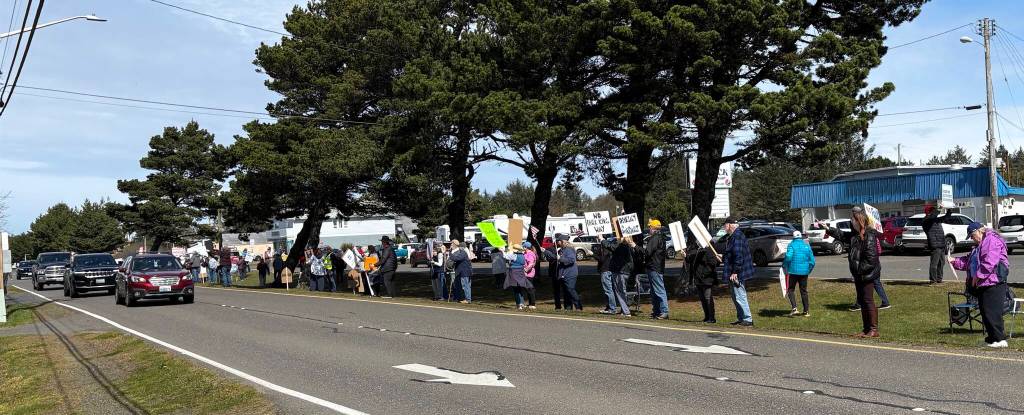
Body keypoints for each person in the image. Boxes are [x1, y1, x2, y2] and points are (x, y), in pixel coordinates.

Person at [951, 222, 1011, 348]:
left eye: (972, 236)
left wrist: (977, 277)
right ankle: (992, 339)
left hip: (994, 282)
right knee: (985, 311)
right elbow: (969, 262)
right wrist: (954, 261)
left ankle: (1000, 339)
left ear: (979, 231)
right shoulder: (979, 246)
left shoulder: (990, 240)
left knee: (992, 312)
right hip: (984, 283)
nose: (972, 239)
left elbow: (989, 262)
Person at [849, 209, 881, 338]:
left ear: (859, 221)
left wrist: (860, 270)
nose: (851, 222)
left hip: (866, 274)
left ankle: (873, 329)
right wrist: (828, 229)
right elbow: (842, 235)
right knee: (862, 300)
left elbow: (871, 258)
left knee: (868, 300)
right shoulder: (857, 235)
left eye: (853, 220)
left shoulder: (869, 235)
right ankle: (866, 328)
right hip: (859, 274)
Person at [721, 217, 754, 326]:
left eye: (725, 225)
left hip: (738, 272)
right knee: (736, 296)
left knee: (740, 295)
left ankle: (747, 319)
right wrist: (722, 256)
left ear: (730, 225)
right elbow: (732, 253)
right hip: (734, 271)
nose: (724, 228)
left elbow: (738, 255)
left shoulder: (737, 236)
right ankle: (741, 318)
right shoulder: (733, 236)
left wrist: (735, 272)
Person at [782, 231, 815, 317]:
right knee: (803, 290)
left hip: (793, 271)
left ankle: (794, 308)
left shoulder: (791, 245)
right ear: (801, 237)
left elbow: (788, 257)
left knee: (790, 289)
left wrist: (784, 265)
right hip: (804, 272)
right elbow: (812, 261)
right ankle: (806, 311)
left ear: (793, 237)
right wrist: (809, 270)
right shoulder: (807, 245)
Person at [687, 244, 721, 323]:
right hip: (698, 279)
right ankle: (707, 316)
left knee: (708, 298)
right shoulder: (697, 250)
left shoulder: (709, 250)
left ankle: (712, 318)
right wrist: (686, 256)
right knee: (703, 299)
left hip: (707, 279)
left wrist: (703, 274)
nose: (697, 242)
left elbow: (713, 264)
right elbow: (691, 259)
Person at [603, 235, 634, 317]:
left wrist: (602, 240)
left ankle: (626, 311)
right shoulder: (629, 246)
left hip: (621, 271)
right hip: (626, 271)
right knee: (622, 290)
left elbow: (610, 247)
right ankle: (623, 310)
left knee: (620, 292)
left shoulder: (622, 246)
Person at [645, 219, 669, 319]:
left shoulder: (655, 238)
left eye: (649, 227)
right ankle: (657, 311)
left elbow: (648, 252)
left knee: (659, 290)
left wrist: (639, 249)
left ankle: (664, 311)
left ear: (653, 228)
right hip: (655, 266)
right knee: (655, 290)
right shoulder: (660, 237)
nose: (648, 229)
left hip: (654, 267)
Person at [923, 204, 952, 284]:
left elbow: (945, 218)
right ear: (928, 212)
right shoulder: (926, 220)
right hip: (935, 245)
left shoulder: (935, 220)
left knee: (941, 262)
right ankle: (933, 280)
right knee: (934, 263)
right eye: (932, 210)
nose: (933, 212)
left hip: (941, 244)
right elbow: (933, 216)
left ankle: (939, 279)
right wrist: (939, 209)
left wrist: (949, 211)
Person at [503, 244, 535, 310]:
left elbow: (505, 256)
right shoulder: (522, 256)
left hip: (514, 272)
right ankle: (521, 303)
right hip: (520, 272)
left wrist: (502, 251)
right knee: (519, 288)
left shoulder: (514, 256)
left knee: (516, 289)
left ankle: (519, 304)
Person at [557, 234, 582, 311]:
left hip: (570, 273)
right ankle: (568, 307)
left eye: (559, 241)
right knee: (566, 291)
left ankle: (578, 307)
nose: (557, 242)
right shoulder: (561, 250)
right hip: (563, 274)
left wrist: (560, 259)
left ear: (562, 241)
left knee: (571, 290)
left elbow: (571, 260)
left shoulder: (569, 249)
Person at [594, 233, 616, 314]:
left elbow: (602, 259)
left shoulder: (605, 247)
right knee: (607, 290)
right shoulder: (606, 245)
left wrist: (593, 254)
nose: (596, 238)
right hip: (607, 270)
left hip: (606, 270)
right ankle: (608, 307)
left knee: (608, 290)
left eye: (597, 237)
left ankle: (612, 308)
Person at [543, 242, 563, 309]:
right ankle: (558, 306)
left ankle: (568, 306)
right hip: (554, 272)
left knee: (566, 290)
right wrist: (546, 252)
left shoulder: (564, 249)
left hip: (563, 272)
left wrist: (546, 251)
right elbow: (550, 258)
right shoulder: (550, 249)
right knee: (556, 290)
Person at [522, 241, 538, 310]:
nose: (522, 247)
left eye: (523, 246)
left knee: (530, 289)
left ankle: (533, 304)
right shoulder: (525, 253)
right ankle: (530, 303)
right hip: (526, 274)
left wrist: (526, 269)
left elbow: (531, 263)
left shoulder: (530, 254)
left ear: (526, 247)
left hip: (529, 274)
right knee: (528, 289)